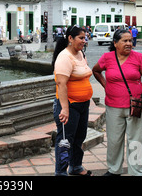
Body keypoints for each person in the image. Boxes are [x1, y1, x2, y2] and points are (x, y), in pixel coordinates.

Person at [92, 29, 142, 176]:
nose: (129, 43)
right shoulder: (107, 57)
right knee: (114, 140)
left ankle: (136, 171)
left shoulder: (139, 57)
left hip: (135, 106)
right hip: (113, 106)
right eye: (125, 41)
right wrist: (106, 86)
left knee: (135, 141)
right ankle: (114, 169)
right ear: (115, 43)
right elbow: (96, 71)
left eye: (130, 40)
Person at [52, 25, 93, 176]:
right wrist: (65, 109)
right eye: (81, 38)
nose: (84, 40)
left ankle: (75, 166)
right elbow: (61, 84)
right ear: (70, 38)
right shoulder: (64, 57)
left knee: (79, 138)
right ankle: (61, 172)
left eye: (85, 37)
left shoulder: (80, 53)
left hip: (83, 104)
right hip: (69, 105)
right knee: (65, 140)